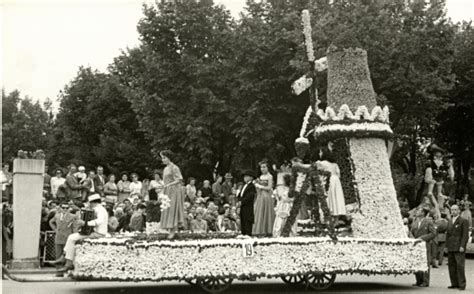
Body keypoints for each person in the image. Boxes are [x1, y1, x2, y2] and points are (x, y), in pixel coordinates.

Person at [54, 194, 108, 274]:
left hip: (98, 233)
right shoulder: (99, 208)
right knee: (72, 237)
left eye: (89, 202)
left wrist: (85, 223)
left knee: (72, 237)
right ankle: (64, 258)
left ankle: (67, 261)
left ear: (93, 202)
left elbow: (100, 221)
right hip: (96, 232)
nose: (88, 204)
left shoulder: (99, 209)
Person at [159, 150, 185, 239]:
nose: (162, 160)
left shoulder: (174, 167)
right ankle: (170, 228)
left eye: (164, 158)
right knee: (167, 209)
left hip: (174, 190)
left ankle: (173, 229)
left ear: (169, 158)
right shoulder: (165, 168)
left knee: (173, 209)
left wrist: (169, 185)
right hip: (167, 190)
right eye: (162, 158)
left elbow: (179, 179)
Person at [410, 206, 436, 287]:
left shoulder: (428, 222)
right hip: (415, 244)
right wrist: (412, 238)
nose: (417, 212)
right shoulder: (415, 221)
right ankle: (418, 280)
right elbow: (411, 232)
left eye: (419, 211)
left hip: (425, 244)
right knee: (416, 261)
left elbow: (433, 233)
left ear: (423, 213)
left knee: (425, 262)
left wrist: (422, 238)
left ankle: (425, 281)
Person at [48, 202, 79, 269]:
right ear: (60, 208)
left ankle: (67, 270)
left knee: (67, 255)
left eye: (67, 208)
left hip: (67, 238)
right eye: (63, 208)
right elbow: (51, 222)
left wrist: (74, 235)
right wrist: (55, 230)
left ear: (69, 209)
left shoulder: (73, 216)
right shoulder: (57, 215)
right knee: (58, 255)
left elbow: (75, 227)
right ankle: (59, 272)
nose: (65, 209)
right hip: (58, 237)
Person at [446, 204, 469, 290]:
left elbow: (465, 235)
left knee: (460, 266)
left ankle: (461, 284)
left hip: (459, 247)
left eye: (455, 210)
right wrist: (446, 246)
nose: (453, 211)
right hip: (451, 246)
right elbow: (447, 235)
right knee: (451, 266)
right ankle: (454, 283)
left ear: (459, 211)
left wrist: (462, 245)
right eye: (452, 210)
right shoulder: (449, 221)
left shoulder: (463, 221)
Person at [253, 160, 275, 236]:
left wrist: (259, 186)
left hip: (266, 196)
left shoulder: (270, 176)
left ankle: (267, 230)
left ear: (268, 168)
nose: (262, 169)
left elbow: (269, 187)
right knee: (259, 212)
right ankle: (260, 230)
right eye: (261, 167)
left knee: (266, 211)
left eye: (264, 167)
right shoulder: (261, 176)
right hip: (260, 195)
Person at [238, 170, 256, 236]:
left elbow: (250, 196)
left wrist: (242, 202)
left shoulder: (252, 186)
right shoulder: (244, 185)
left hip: (248, 206)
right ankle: (243, 233)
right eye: (244, 177)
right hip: (242, 205)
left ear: (251, 177)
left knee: (247, 219)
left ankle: (248, 234)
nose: (245, 178)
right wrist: (239, 200)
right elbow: (240, 194)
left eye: (246, 176)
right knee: (242, 219)